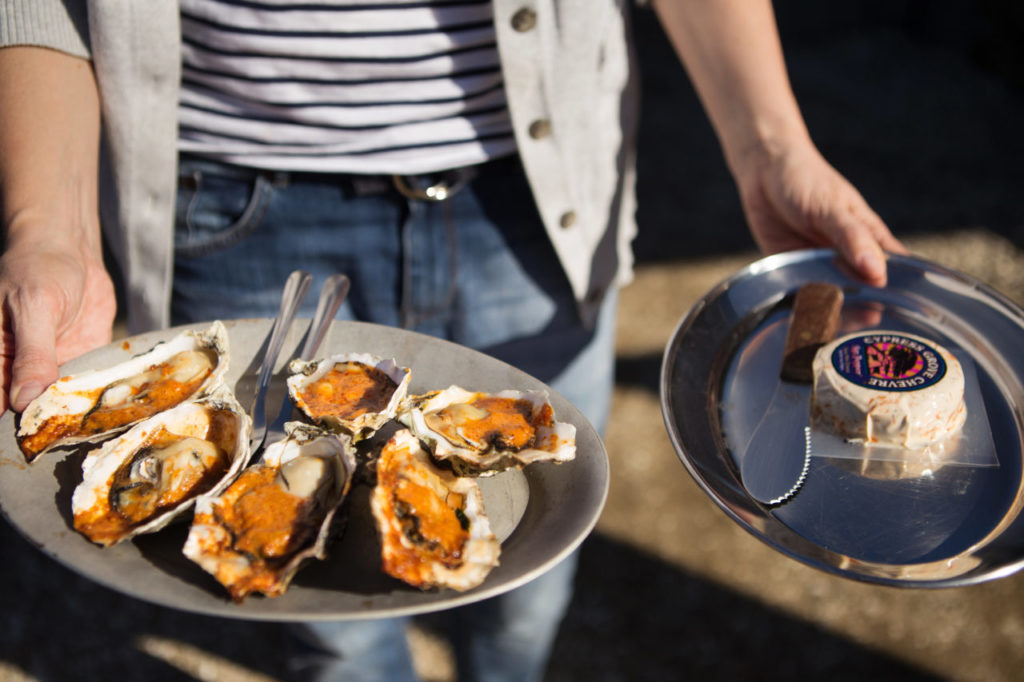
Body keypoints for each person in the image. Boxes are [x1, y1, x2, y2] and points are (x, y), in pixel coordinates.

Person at [0, 1, 905, 680]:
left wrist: (769, 142)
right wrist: (50, 232)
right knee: (334, 630)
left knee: (531, 583)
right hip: (235, 211)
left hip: (535, 204)